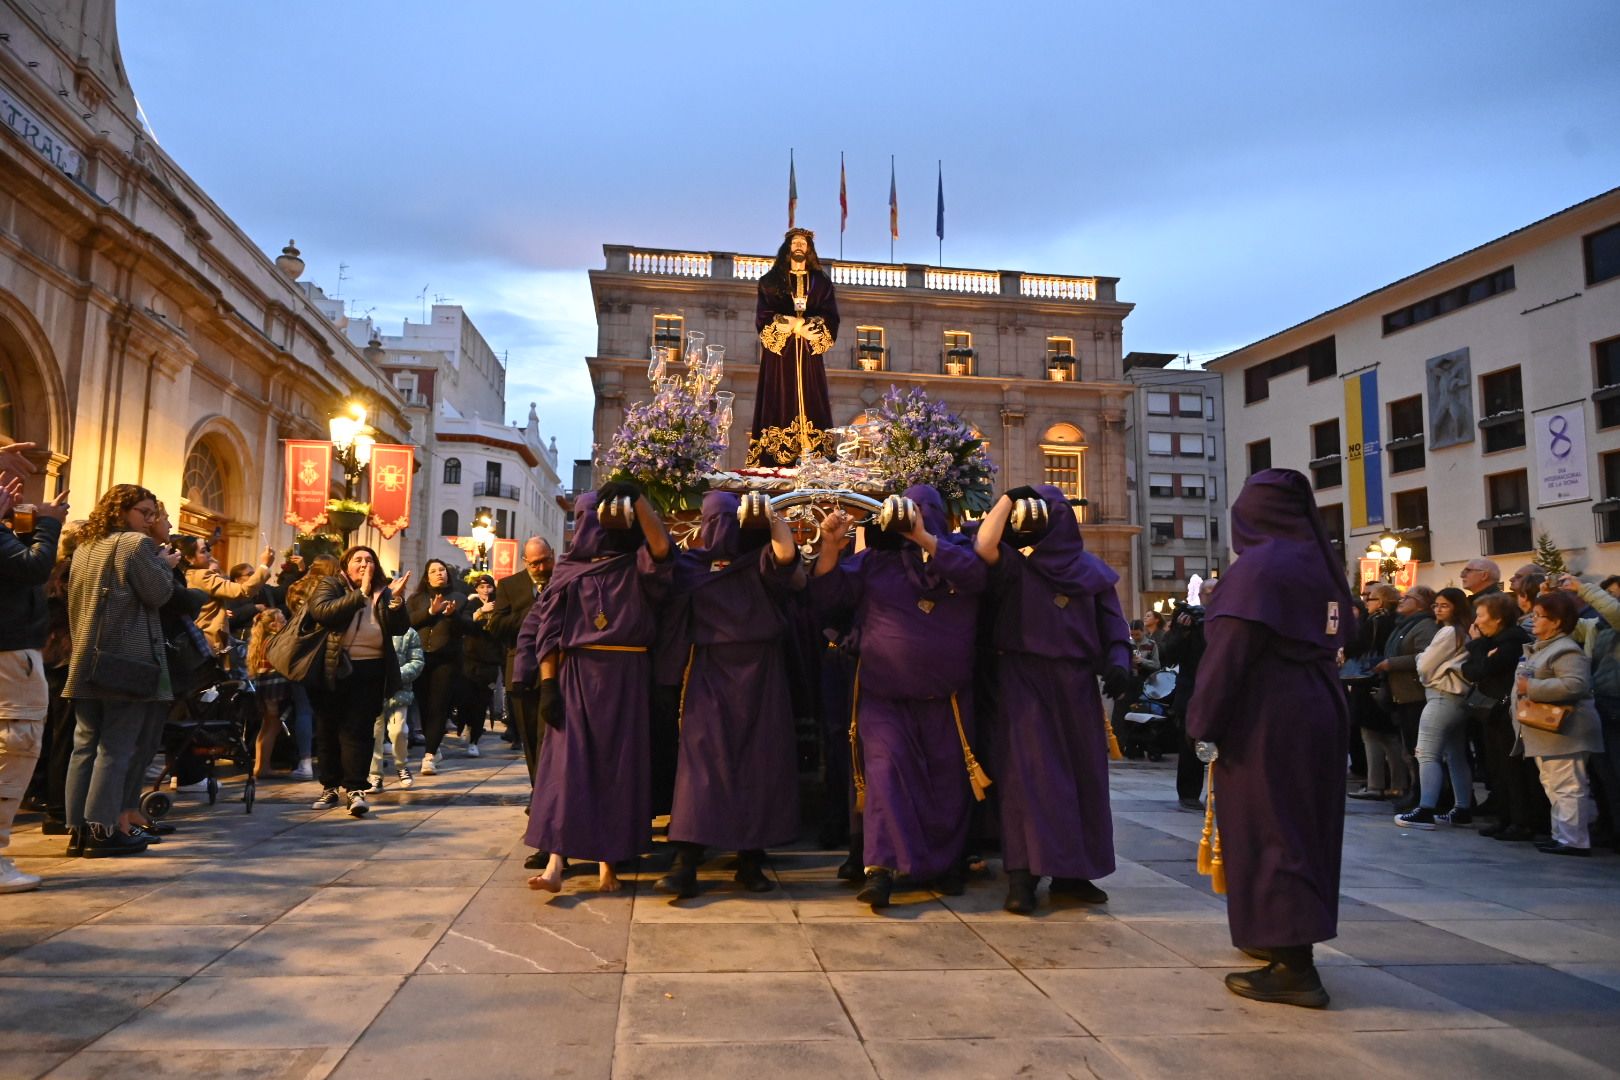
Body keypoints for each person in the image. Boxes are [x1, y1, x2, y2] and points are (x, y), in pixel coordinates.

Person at [1186, 469, 1354, 1010]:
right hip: (1320, 702)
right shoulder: (1319, 562)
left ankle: (1294, 968)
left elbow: (1230, 650)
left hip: (1270, 712)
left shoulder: (1259, 568)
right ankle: (1280, 935)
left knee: (1270, 829)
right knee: (1305, 828)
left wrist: (1202, 721)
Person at [810, 485, 988, 910]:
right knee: (885, 777)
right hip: (884, 697)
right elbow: (827, 596)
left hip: (946, 701)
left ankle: (942, 866)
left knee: (946, 785)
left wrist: (925, 538)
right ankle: (880, 870)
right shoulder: (875, 563)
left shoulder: (960, 556)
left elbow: (977, 578)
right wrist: (832, 547)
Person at [974, 484, 1131, 914]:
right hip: (1024, 681)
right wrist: (1008, 498)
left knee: (1082, 779)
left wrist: (1119, 662)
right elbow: (983, 543)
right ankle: (1022, 875)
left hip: (1076, 686)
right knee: (1029, 778)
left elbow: (1114, 627)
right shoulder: (1017, 567)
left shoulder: (1094, 573)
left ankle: (1072, 873)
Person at [524, 485, 673, 894]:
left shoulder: (637, 563)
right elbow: (550, 634)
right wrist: (549, 685)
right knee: (566, 768)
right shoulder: (567, 570)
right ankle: (556, 861)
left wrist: (640, 499)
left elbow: (661, 547)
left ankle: (610, 862)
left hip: (626, 674)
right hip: (576, 676)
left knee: (618, 767)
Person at [654, 491, 803, 899]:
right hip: (708, 672)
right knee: (700, 768)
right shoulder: (690, 566)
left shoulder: (761, 562)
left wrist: (770, 516)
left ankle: (750, 859)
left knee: (759, 764)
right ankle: (686, 861)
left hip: (762, 672)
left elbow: (787, 555)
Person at [62, 485, 180, 857]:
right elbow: (158, 594)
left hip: (86, 657)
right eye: (144, 512)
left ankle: (78, 830)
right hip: (125, 662)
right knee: (115, 748)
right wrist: (165, 566)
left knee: (84, 745)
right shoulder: (135, 545)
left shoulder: (85, 545)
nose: (149, 521)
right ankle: (104, 829)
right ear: (121, 511)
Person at [304, 547, 413, 816]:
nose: (364, 564)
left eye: (369, 560)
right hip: (333, 666)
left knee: (359, 730)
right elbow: (323, 613)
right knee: (328, 727)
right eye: (358, 560)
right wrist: (360, 594)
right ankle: (330, 786)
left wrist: (397, 602)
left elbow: (399, 628)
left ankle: (355, 789)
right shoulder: (331, 584)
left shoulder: (384, 591)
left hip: (371, 670)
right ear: (345, 565)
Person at [0, 477, 68, 892]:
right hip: (10, 653)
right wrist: (46, 523)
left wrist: (23, 522)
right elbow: (34, 567)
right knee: (17, 743)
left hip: (11, 650)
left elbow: (16, 567)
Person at [1513, 589, 1605, 856]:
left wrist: (1531, 686)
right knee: (1554, 784)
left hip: (1566, 730)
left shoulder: (1566, 649)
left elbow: (1575, 685)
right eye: (1534, 615)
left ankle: (1573, 840)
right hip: (1547, 731)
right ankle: (1561, 835)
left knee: (1568, 785)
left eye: (1540, 616)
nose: (1534, 620)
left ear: (1556, 622)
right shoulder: (1544, 647)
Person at [746, 228, 839, 466]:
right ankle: (774, 456)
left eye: (803, 243)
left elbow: (831, 316)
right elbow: (763, 316)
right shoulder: (770, 282)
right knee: (779, 396)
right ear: (787, 248)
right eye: (795, 242)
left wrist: (812, 326)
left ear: (809, 250)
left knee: (812, 397)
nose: (799, 246)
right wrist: (796, 325)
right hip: (781, 357)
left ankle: (816, 454)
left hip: (808, 355)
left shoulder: (821, 283)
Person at [1396, 587, 1476, 828]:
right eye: (1436, 605)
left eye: (1444, 605)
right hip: (1458, 698)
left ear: (1456, 608)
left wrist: (1422, 658)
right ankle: (1462, 808)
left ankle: (1426, 809)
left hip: (1442, 695)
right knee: (1455, 755)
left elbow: (1424, 665)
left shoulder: (1449, 632)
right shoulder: (1463, 631)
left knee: (1427, 752)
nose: (1438, 609)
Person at [1464, 592, 1539, 841]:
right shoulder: (1492, 641)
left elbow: (1483, 669)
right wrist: (1480, 655)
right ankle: (1505, 817)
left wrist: (1477, 647)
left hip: (1507, 712)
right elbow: (1470, 669)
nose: (1476, 621)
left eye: (1481, 615)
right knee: (1498, 767)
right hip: (1493, 713)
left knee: (1513, 768)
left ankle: (1521, 821)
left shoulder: (1511, 640)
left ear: (1497, 619)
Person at [1557, 573, 1620, 851]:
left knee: (1615, 771)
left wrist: (1582, 587)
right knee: (1602, 772)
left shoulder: (1613, 618)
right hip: (1601, 700)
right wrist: (1553, 602)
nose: (1613, 599)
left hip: (1616, 702)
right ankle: (1608, 825)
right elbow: (1564, 628)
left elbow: (1613, 610)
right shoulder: (1598, 626)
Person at [489, 537, 553, 784]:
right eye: (534, 564)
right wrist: (532, 612)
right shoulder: (509, 585)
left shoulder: (563, 580)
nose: (540, 568)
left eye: (545, 561)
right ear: (525, 561)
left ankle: (549, 791)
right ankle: (538, 788)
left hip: (556, 670)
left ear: (553, 555)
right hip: (521, 669)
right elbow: (496, 625)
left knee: (550, 734)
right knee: (529, 735)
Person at [1373, 585, 1438, 810]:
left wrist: (1392, 664)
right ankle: (1416, 790)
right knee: (1409, 747)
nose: (1402, 599)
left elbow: (1424, 656)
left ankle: (1424, 794)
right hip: (1402, 694)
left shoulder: (1424, 625)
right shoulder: (1405, 624)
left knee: (1418, 749)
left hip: (1414, 694)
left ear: (1421, 603)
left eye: (1409, 597)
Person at [408, 558, 474, 776]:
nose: (439, 574)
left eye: (442, 570)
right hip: (419, 660)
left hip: (446, 660)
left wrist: (452, 615)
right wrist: (430, 612)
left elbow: (469, 627)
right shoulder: (417, 599)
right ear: (427, 576)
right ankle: (432, 746)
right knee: (425, 708)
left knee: (438, 707)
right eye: (434, 571)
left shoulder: (459, 599)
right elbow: (405, 622)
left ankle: (429, 755)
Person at [282, 554, 338, 781]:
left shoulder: (296, 587)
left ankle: (305, 761)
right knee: (326, 708)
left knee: (303, 708)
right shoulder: (331, 587)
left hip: (298, 650)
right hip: (325, 649)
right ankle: (327, 758)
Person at [1347, 583, 1404, 801]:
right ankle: (1397, 784)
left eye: (1368, 598)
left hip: (1369, 680)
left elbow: (1357, 645)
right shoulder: (1394, 621)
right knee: (1388, 736)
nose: (1365, 602)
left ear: (1380, 601)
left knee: (1372, 735)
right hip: (1382, 682)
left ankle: (1376, 784)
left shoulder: (1376, 622)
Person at [178, 536, 275, 656]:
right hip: (210, 640)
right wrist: (265, 565)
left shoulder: (187, 574)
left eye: (208, 550)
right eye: (203, 551)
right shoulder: (201, 576)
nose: (209, 554)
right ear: (189, 558)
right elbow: (242, 590)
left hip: (203, 638)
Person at [1158, 598, 1208, 811]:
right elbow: (1168, 657)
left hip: (1218, 686)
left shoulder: (1224, 618)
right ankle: (1189, 793)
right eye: (1207, 592)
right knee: (1190, 743)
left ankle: (1219, 792)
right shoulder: (1186, 626)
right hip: (1192, 690)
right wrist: (1182, 632)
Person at [369, 624, 423, 793]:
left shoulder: (409, 633)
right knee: (375, 734)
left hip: (399, 690)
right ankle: (375, 774)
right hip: (374, 688)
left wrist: (397, 674)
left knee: (398, 730)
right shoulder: (369, 629)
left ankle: (402, 766)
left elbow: (417, 661)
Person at [460, 574, 503, 756]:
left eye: (489, 587)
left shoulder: (499, 604)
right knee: (467, 699)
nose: (486, 590)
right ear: (476, 588)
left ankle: (475, 739)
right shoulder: (471, 604)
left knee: (482, 701)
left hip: (490, 661)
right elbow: (464, 624)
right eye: (482, 587)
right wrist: (480, 612)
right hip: (470, 659)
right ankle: (466, 725)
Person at [245, 608, 289, 779]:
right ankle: (264, 767)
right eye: (283, 620)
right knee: (273, 726)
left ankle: (259, 765)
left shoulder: (261, 641)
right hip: (274, 689)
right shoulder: (274, 641)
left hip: (264, 688)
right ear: (272, 625)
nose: (285, 623)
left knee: (265, 727)